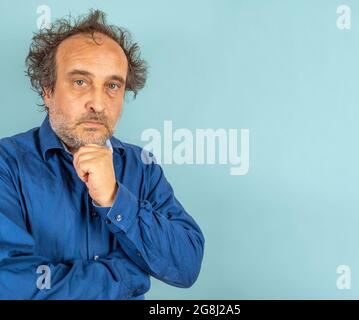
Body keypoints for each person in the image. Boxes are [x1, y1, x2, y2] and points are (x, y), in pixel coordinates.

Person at [0, 9, 205, 299]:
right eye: (80, 82)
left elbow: (186, 265)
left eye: (112, 86)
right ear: (48, 90)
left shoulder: (142, 166)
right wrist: (126, 276)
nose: (97, 103)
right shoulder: (6, 164)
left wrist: (114, 198)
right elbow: (9, 284)